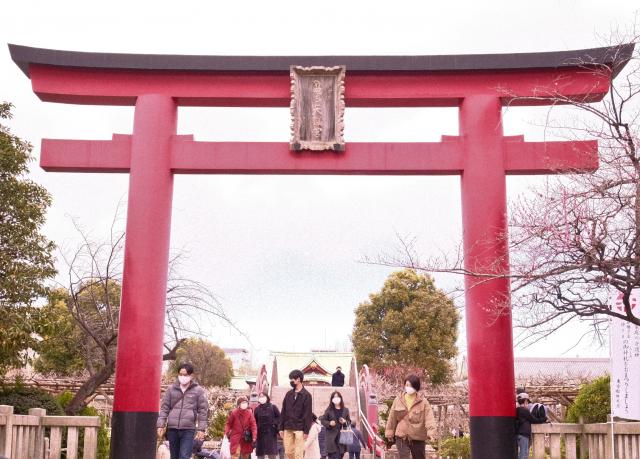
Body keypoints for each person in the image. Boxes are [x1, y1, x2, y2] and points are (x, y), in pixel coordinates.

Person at [157, 363, 209, 459]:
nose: (182, 377)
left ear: (191, 375)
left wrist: (201, 429)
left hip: (188, 429)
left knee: (184, 456)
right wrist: (160, 424)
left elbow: (203, 411)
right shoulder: (171, 389)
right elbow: (165, 408)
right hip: (172, 429)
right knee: (174, 456)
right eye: (180, 374)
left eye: (185, 375)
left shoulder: (198, 391)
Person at [384, 375, 436, 459]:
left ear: (416, 387)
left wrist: (431, 432)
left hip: (418, 437)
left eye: (411, 385)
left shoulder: (423, 402)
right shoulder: (398, 400)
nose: (408, 387)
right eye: (407, 385)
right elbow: (392, 417)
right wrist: (389, 432)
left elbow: (429, 418)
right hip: (401, 437)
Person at [278, 369, 313, 459]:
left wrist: (306, 431)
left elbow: (308, 414)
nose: (291, 381)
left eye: (292, 379)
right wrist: (281, 427)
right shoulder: (288, 394)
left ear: (298, 379)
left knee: (298, 454)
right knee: (288, 452)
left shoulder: (307, 395)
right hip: (288, 426)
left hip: (300, 428)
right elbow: (283, 411)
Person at [320, 390, 351, 459]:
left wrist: (345, 421)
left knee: (340, 456)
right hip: (331, 439)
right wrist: (329, 423)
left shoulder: (345, 410)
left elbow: (349, 422)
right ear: (332, 399)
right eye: (334, 397)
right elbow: (323, 420)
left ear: (340, 398)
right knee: (334, 456)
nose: (336, 398)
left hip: (342, 438)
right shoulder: (329, 410)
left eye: (337, 397)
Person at [516, 392, 545, 459]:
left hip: (518, 434)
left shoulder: (517, 410)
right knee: (524, 454)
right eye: (527, 402)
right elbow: (534, 420)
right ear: (525, 401)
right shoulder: (525, 410)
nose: (528, 404)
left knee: (522, 453)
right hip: (524, 434)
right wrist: (543, 419)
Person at [254, 392, 281, 459]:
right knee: (260, 453)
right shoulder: (257, 409)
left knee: (271, 453)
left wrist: (274, 423)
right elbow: (254, 421)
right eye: (260, 396)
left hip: (270, 433)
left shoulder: (273, 407)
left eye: (263, 396)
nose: (261, 398)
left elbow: (279, 417)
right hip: (260, 434)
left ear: (267, 397)